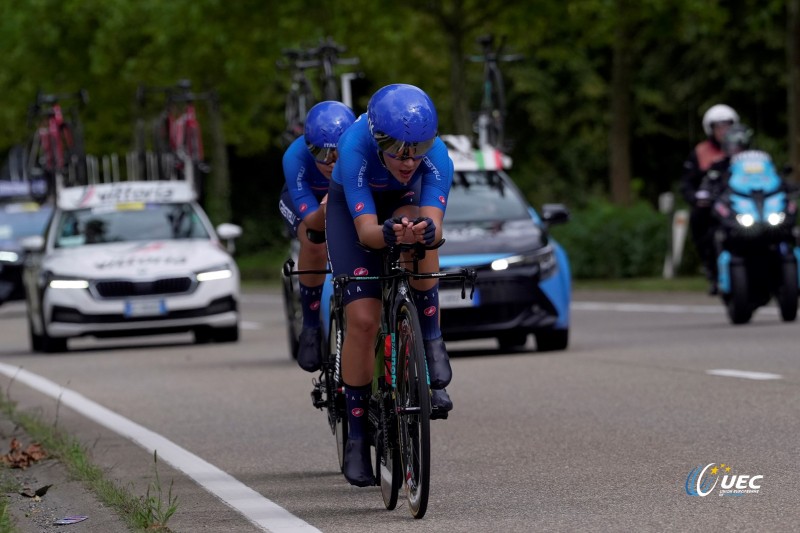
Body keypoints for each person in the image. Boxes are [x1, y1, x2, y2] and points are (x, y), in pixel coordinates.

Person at [325, 84, 454, 486]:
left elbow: (435, 226)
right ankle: (358, 437)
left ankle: (431, 342)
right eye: (398, 150)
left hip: (401, 204)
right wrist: (389, 233)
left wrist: (422, 232)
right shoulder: (354, 148)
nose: (409, 159)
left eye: (418, 147)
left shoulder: (436, 158)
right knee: (363, 321)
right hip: (355, 217)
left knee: (421, 234)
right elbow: (366, 234)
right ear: (378, 138)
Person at [279, 101, 356, 371]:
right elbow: (313, 219)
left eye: (337, 154)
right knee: (314, 237)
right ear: (307, 144)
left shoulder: (362, 148)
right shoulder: (294, 156)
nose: (329, 161)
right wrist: (328, 202)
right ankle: (311, 326)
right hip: (310, 202)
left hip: (343, 195)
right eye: (319, 153)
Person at [680, 103, 739, 295]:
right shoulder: (700, 152)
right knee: (699, 219)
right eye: (719, 127)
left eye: (727, 126)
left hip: (741, 201)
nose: (723, 131)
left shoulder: (742, 149)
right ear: (710, 129)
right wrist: (696, 198)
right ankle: (711, 270)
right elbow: (687, 183)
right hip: (715, 204)